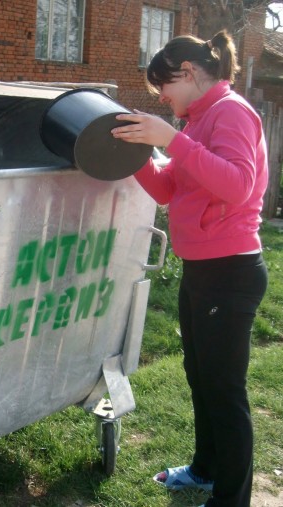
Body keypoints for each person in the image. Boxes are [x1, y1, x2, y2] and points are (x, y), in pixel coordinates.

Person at [111, 30, 269, 507]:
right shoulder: (198, 120)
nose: (161, 96)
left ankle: (232, 499)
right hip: (201, 269)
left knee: (225, 391)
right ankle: (204, 469)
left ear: (192, 73)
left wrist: (172, 141)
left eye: (165, 85)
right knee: (201, 377)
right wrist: (135, 151)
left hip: (232, 270)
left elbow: (238, 185)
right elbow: (165, 190)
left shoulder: (231, 113)